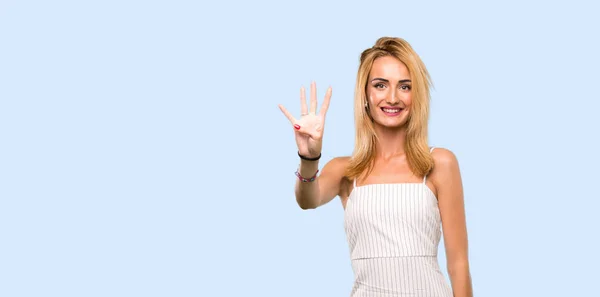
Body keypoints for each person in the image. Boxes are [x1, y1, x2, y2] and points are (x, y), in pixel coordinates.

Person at [278, 37, 473, 297]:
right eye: (381, 85)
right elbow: (307, 199)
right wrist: (308, 158)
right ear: (366, 95)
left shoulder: (439, 164)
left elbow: (458, 264)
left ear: (416, 96)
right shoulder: (346, 171)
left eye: (405, 86)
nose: (392, 98)